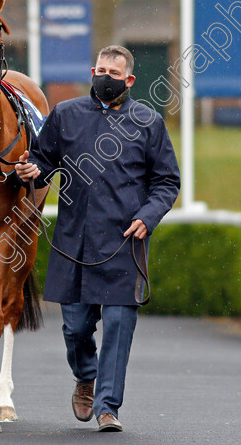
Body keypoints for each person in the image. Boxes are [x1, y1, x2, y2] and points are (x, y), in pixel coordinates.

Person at [15, 45, 180, 432]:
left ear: (130, 80)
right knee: (74, 327)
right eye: (101, 69)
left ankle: (108, 408)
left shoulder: (148, 121)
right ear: (92, 71)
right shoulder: (65, 114)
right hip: (74, 242)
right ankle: (85, 377)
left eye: (114, 72)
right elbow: (43, 160)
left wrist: (148, 216)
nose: (106, 77)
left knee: (119, 329)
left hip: (126, 243)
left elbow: (167, 181)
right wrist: (30, 169)